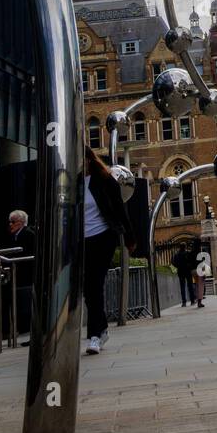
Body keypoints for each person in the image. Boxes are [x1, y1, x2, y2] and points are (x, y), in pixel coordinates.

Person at [83, 149, 134, 354]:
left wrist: (130, 237)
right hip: (82, 241)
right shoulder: (71, 183)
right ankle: (102, 329)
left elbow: (120, 210)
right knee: (88, 289)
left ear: (88, 159)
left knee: (95, 284)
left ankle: (95, 335)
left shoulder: (105, 180)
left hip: (103, 237)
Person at [4, 210, 35, 345]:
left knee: (27, 306)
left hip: (26, 277)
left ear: (21, 222)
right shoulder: (12, 236)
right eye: (10, 221)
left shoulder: (28, 234)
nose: (10, 224)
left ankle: (28, 332)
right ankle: (9, 330)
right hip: (16, 277)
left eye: (13, 222)